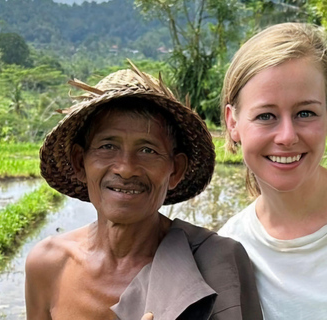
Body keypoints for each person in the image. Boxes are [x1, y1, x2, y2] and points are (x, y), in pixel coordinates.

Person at [25, 61, 262, 319]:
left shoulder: (217, 262)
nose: (126, 168)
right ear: (79, 162)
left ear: (176, 170)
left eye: (147, 150)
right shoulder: (48, 265)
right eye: (107, 146)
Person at [218, 22, 327, 320]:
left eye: (306, 113)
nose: (287, 136)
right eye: (266, 116)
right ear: (233, 123)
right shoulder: (227, 252)